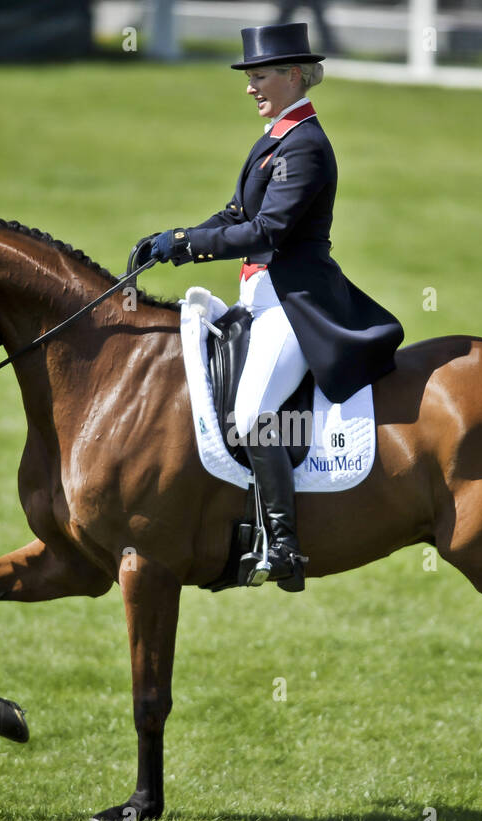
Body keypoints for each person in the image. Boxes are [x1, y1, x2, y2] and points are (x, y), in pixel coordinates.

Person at [134, 22, 403, 592]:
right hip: (258, 301)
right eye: (249, 77)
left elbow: (267, 230)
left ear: (295, 75)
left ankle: (282, 544)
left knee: (255, 412)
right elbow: (235, 216)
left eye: (260, 76)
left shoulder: (305, 145)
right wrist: (174, 240)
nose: (250, 87)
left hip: (292, 305)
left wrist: (184, 243)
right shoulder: (276, 138)